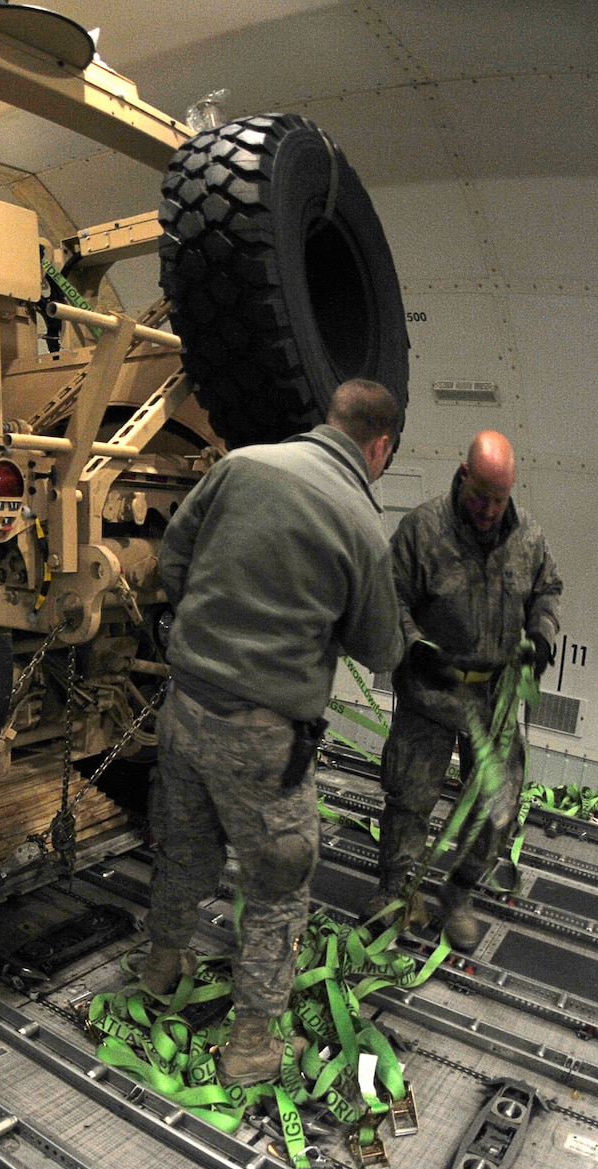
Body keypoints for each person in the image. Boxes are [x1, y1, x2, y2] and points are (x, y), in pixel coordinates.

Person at [143, 379, 407, 1084]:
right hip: (262, 739)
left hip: (184, 706)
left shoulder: (240, 466)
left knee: (184, 849)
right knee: (277, 886)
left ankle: (162, 965)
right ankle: (252, 1046)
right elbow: (382, 650)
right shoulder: (359, 522)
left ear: (332, 422)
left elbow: (173, 555)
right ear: (378, 447)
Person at [375, 430, 561, 951]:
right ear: (462, 474)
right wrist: (414, 648)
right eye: (480, 496)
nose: (487, 510)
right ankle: (397, 897)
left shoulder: (528, 538)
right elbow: (391, 597)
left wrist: (542, 636)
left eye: (498, 500)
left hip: (494, 703)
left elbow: (548, 589)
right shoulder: (422, 531)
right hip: (431, 696)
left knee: (497, 807)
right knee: (410, 799)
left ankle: (458, 894)